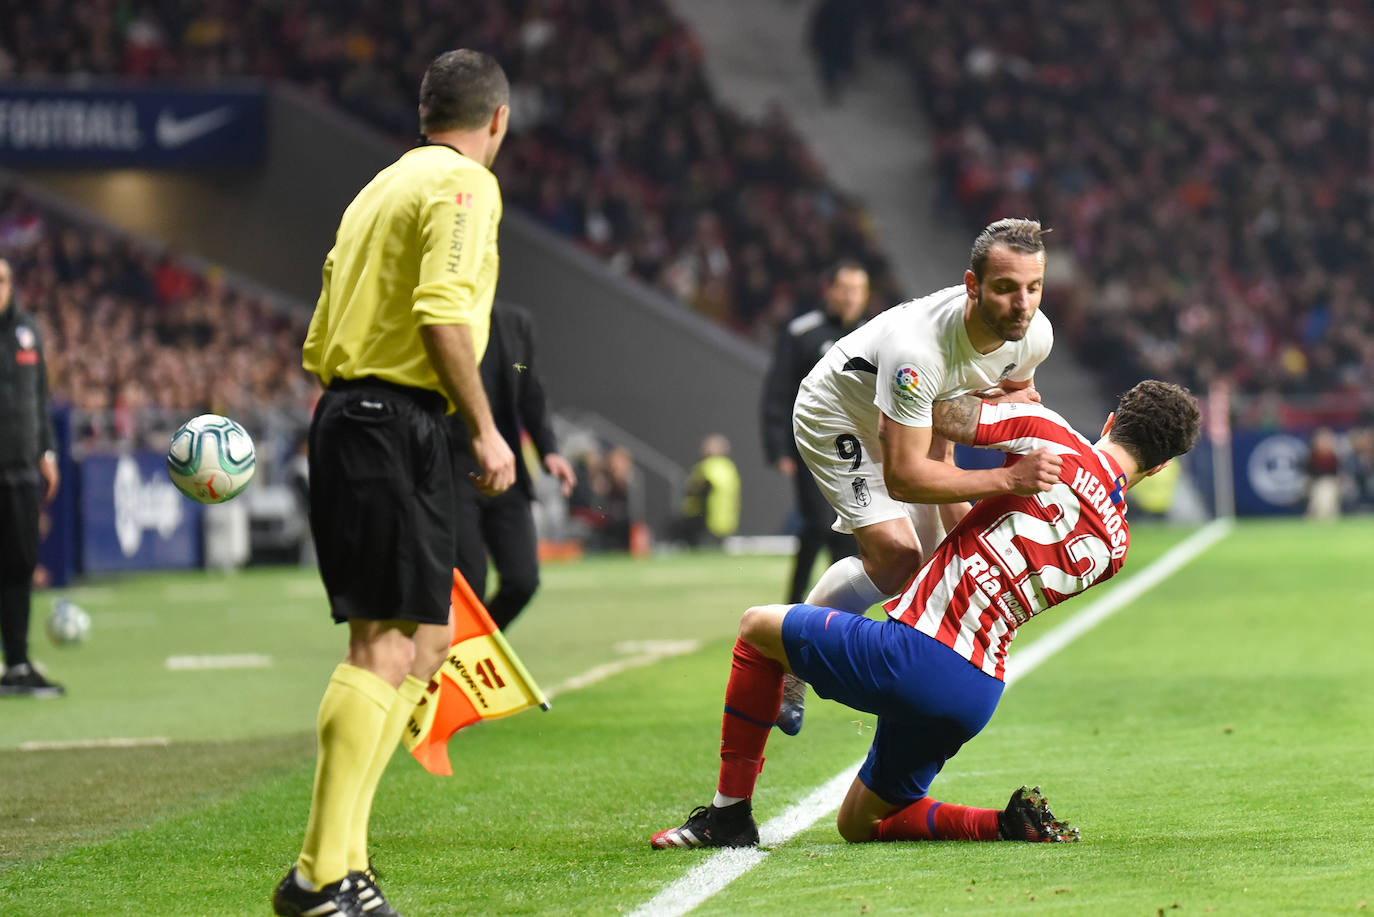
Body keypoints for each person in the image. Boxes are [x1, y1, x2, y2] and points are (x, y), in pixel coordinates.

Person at [650, 380, 1201, 850]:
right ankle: (1006, 825)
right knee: (858, 824)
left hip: (919, 652)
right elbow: (975, 534)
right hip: (975, 689)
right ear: (1157, 468)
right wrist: (949, 461)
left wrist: (982, 385)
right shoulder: (1116, 545)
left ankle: (728, 817)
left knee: (756, 631)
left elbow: (932, 410)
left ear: (1110, 418)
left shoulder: (1050, 434)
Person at [275, 50, 517, 917]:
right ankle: (318, 875)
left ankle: (348, 862)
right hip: (389, 420)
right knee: (380, 644)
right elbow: (441, 310)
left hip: (363, 415)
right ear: (497, 120)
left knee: (426, 640)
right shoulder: (464, 186)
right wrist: (486, 427)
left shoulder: (379, 187)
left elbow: (324, 324)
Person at [781, 218, 1059, 734]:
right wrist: (1009, 481)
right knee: (898, 556)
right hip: (838, 413)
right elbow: (908, 477)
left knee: (944, 560)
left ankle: (908, 687)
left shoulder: (1032, 333)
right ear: (971, 286)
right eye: (1005, 289)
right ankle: (789, 658)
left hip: (922, 413)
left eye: (1034, 287)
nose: (1023, 304)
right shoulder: (919, 350)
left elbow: (1009, 407)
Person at [450, 300, 576, 631]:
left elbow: (530, 389)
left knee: (523, 580)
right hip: (453, 471)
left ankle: (470, 647)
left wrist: (549, 450)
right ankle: (456, 660)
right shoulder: (444, 321)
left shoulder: (514, 323)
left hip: (506, 470)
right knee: (469, 583)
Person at [761, 260, 868, 605]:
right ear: (830, 291)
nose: (852, 298)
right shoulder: (802, 333)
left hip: (859, 450)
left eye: (859, 291)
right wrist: (777, 448)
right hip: (813, 448)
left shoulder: (873, 335)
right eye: (846, 289)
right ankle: (802, 606)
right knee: (821, 523)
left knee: (851, 526)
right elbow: (777, 391)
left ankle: (836, 608)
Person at [0, 256, 63, 698]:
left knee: (21, 565)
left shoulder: (29, 332)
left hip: (22, 471)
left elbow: (39, 397)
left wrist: (47, 451)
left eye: (1, 279)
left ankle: (18, 664)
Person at [673, 433, 741, 547]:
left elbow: (696, 488)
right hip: (726, 519)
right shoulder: (729, 467)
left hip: (705, 519)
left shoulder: (707, 467)